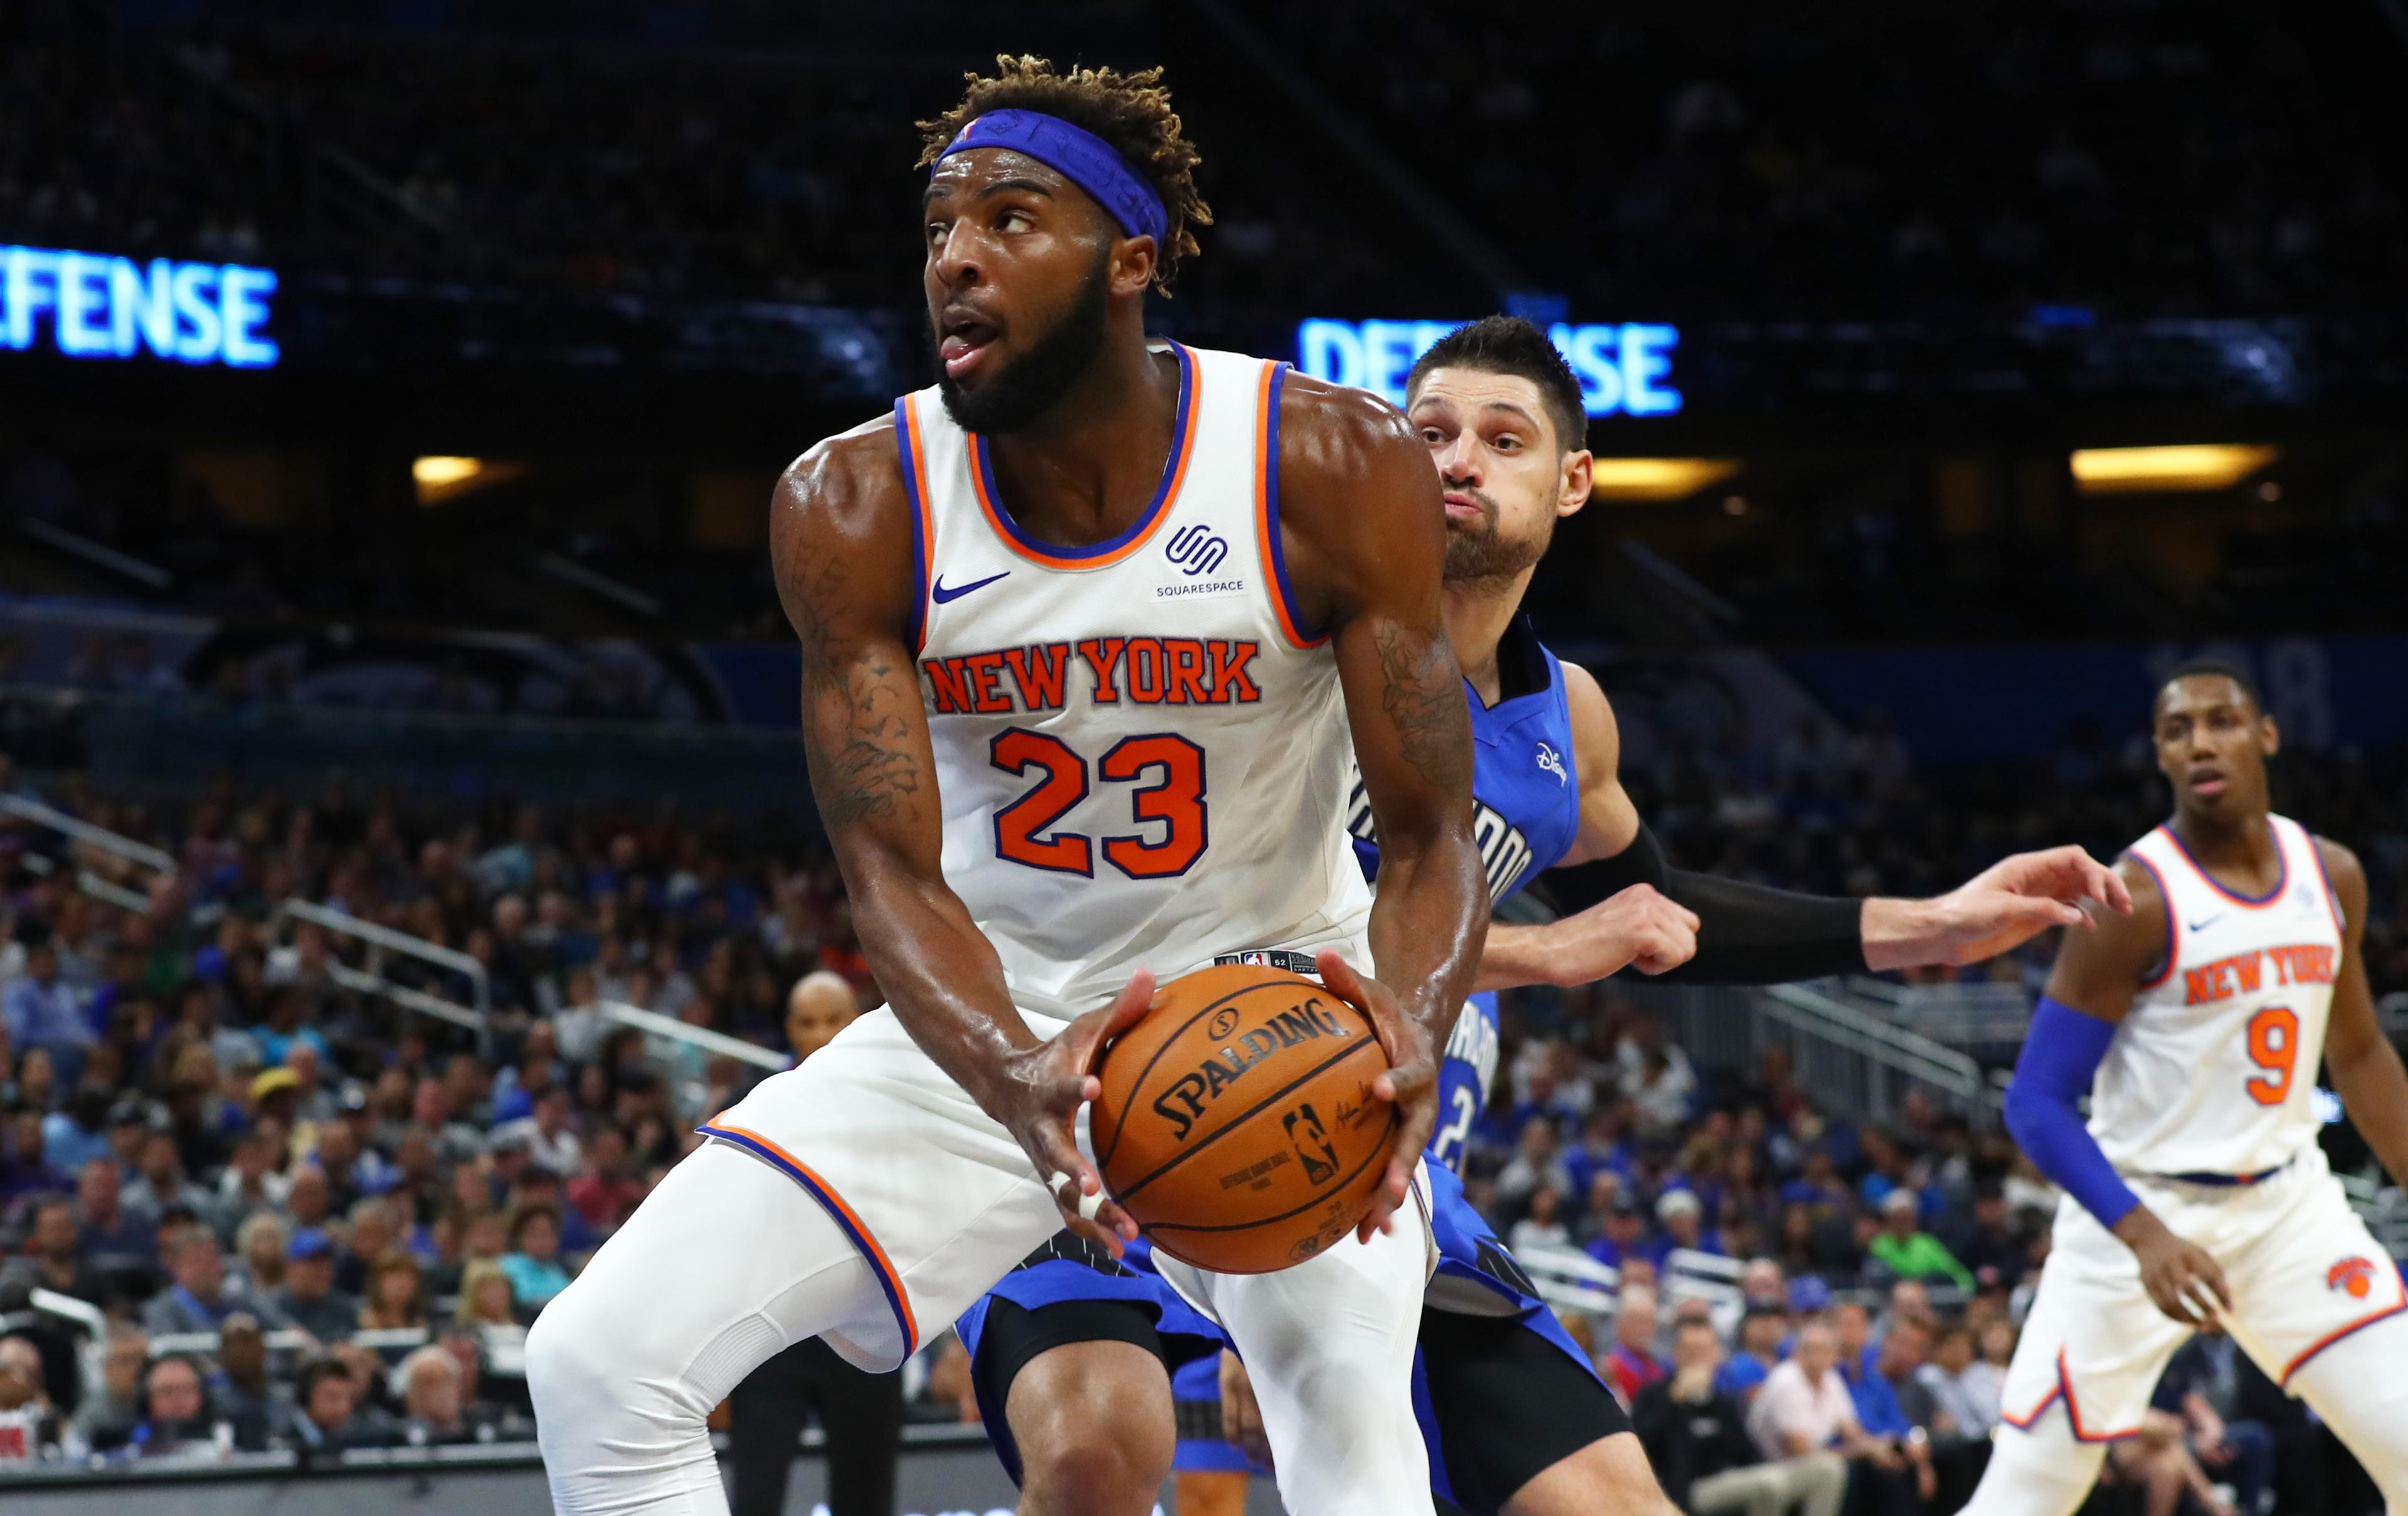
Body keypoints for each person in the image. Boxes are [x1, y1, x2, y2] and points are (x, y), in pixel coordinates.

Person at [954, 314, 2131, 1516]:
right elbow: (1186, 930)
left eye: (1501, 438)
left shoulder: (1567, 716)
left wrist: (1929, 923)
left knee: (1618, 1505)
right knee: (1101, 1464)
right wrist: (1542, 953)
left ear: (1572, 481)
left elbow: (1655, 916)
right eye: (1429, 433)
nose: (1457, 460)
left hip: (1362, 1174)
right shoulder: (1270, 642)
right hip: (1145, 1118)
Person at [529, 57, 1492, 1516]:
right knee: (597, 1363)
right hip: (993, 1022)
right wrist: (1012, 1067)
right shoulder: (854, 504)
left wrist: (1412, 1029)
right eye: (936, 229)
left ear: (1130, 259)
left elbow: (1426, 836)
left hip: (1284, 1010)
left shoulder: (1328, 462)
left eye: (1008, 219)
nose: (954, 258)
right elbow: (888, 876)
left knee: (1355, 1439)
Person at [1967, 662, 2408, 1515]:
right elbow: (2034, 1099)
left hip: (2289, 1212)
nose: (2202, 740)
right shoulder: (2134, 898)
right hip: (2137, 1219)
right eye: (2178, 729)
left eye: (2223, 720)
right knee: (2024, 1500)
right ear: (2161, 756)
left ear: (2267, 736)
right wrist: (2146, 1237)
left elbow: (2356, 1055)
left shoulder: (2332, 874)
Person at [722, 972, 905, 1516]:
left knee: (867, 1499)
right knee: (755, 1496)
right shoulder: (749, 1107)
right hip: (773, 1331)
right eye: (808, 1022)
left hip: (865, 1323)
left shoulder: (896, 1107)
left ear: (858, 1020)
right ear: (788, 1029)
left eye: (835, 1018)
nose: (823, 1033)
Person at [1636, 1316, 1845, 1516]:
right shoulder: (1655, 1395)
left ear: (1715, 1356)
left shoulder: (1721, 1399)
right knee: (1767, 1485)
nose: (1698, 1358)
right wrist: (1675, 1400)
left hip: (1732, 1477)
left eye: (1705, 1351)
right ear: (1677, 1354)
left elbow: (1746, 1451)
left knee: (1828, 1469)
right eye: (1692, 1351)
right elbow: (1642, 1447)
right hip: (1686, 1487)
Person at [1867, 1189, 1974, 1291]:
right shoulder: (1879, 1245)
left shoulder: (1927, 1244)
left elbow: (1959, 1275)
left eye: (1907, 1218)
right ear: (1889, 1221)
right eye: (1898, 1219)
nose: (1903, 1224)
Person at [272, 1228, 361, 1344]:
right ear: (291, 1267)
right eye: (313, 1262)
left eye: (326, 1262)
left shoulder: (346, 1309)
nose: (322, 1271)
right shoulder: (271, 1307)